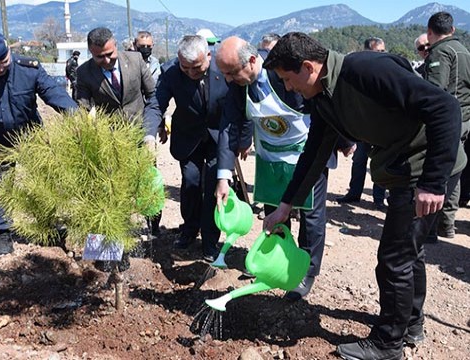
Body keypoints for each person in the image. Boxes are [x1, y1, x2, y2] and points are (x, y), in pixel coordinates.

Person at [263, 32, 465, 359]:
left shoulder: (366, 71)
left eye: (288, 79)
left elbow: (446, 108)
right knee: (408, 254)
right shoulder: (324, 97)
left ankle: (388, 344)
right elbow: (314, 152)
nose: (288, 88)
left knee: (394, 259)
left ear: (307, 67)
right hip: (405, 169)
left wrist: (433, 181)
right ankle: (410, 324)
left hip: (423, 167)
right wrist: (286, 203)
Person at [214, 36, 345, 300]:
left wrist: (343, 139)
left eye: (232, 73)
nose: (228, 80)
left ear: (252, 61)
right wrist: (223, 177)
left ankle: (306, 272)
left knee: (310, 216)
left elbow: (323, 106)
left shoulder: (284, 73)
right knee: (274, 214)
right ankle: (276, 262)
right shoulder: (239, 86)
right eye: (225, 74)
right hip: (270, 158)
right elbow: (229, 125)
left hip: (304, 155)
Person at [0, 30, 77, 256]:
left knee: (44, 183)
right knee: (0, 188)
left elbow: (53, 93)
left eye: (4, 61)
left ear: (9, 50)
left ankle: (48, 226)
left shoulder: (29, 69)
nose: (1, 68)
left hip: (31, 137)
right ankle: (3, 235)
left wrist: (77, 116)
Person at [76, 27, 162, 237]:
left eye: (109, 54)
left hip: (141, 135)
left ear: (115, 45)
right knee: (116, 188)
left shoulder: (135, 61)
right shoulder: (84, 72)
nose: (106, 60)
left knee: (148, 184)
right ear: (90, 52)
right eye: (99, 57)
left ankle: (153, 229)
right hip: (111, 140)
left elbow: (153, 98)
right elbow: (83, 109)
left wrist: (151, 132)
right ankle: (120, 232)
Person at [155, 35, 228, 262]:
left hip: (219, 137)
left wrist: (242, 139)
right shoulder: (172, 71)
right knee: (191, 181)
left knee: (213, 188)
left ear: (208, 56)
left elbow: (239, 105)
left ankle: (209, 240)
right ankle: (189, 229)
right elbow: (157, 102)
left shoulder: (224, 68)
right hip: (188, 136)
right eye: (184, 67)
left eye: (195, 68)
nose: (190, 73)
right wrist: (155, 126)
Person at [423, 11, 470, 238]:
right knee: (455, 170)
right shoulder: (465, 51)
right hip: (464, 119)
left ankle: (432, 226)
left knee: (440, 170)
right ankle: (447, 223)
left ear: (430, 33)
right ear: (452, 30)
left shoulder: (441, 52)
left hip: (446, 123)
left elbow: (434, 91)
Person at [336, 37, 388, 210]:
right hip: (361, 125)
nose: (382, 54)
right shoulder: (358, 70)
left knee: (379, 162)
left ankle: (378, 199)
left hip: (379, 126)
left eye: (383, 51)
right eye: (379, 51)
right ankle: (354, 193)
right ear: (368, 51)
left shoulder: (386, 71)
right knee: (359, 160)